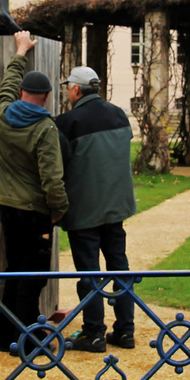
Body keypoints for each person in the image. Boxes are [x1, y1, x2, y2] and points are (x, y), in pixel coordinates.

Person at [0, 31, 68, 357]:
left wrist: (20, 51)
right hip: (35, 211)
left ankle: (4, 335)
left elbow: (8, 83)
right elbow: (53, 179)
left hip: (7, 207)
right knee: (33, 276)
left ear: (23, 93)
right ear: (48, 97)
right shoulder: (45, 128)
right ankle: (29, 341)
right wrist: (58, 211)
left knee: (13, 271)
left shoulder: (3, 115)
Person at [55, 66, 138, 353]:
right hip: (116, 207)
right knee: (120, 267)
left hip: (85, 210)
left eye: (68, 87)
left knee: (89, 272)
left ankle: (94, 333)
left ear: (76, 89)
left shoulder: (67, 122)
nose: (67, 91)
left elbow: (60, 164)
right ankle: (126, 331)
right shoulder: (119, 114)